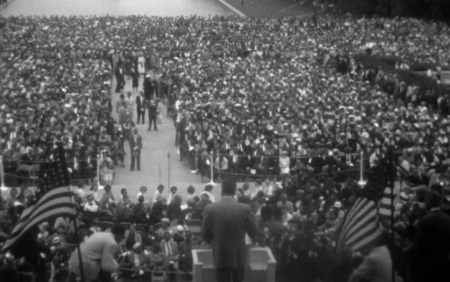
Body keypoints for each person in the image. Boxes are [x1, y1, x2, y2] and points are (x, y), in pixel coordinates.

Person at [201, 178, 259, 282]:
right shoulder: (245, 209)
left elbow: (205, 234)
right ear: (234, 191)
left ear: (222, 192)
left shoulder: (210, 208)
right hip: (239, 254)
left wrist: (214, 242)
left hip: (220, 253)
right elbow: (254, 231)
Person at [410, 189, 450, 282]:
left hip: (426, 269)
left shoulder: (424, 220)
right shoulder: (448, 219)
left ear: (428, 201)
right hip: (444, 268)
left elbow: (418, 247)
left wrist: (414, 268)